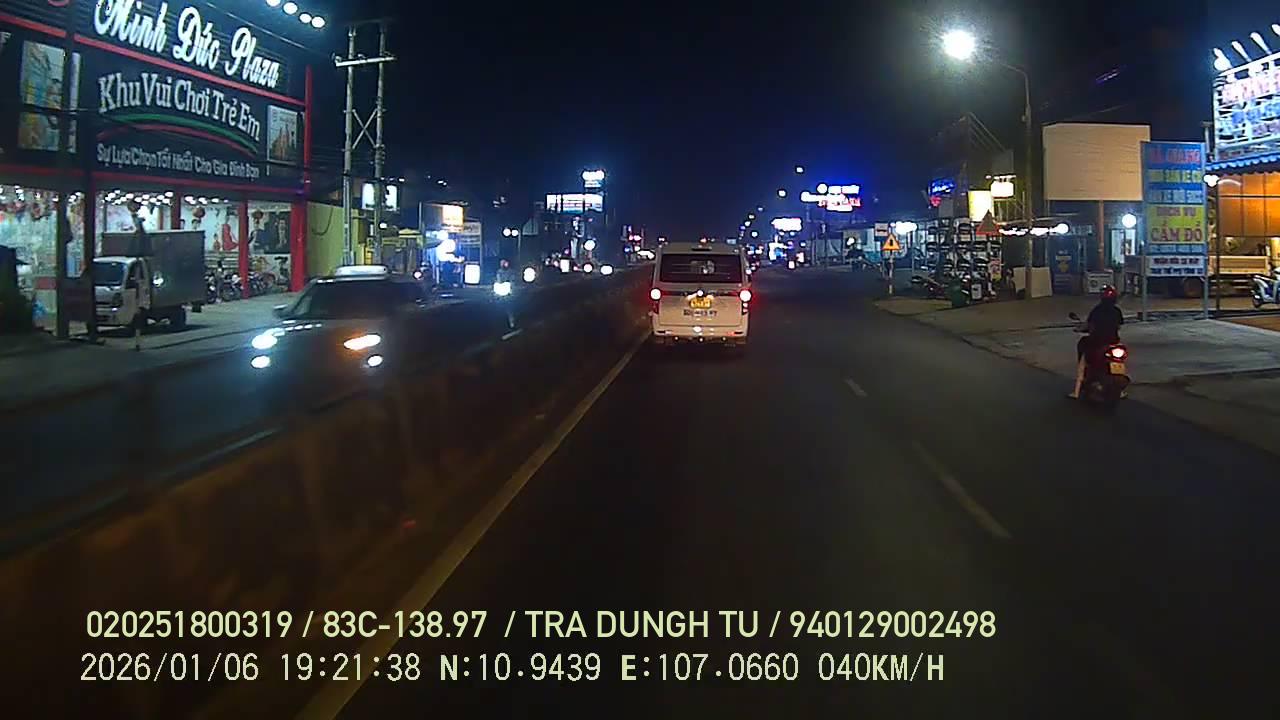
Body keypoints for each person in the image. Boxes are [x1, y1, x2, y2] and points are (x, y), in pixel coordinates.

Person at [1069, 285, 1124, 399]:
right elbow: (1119, 326)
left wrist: (1080, 328)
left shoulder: (1097, 310)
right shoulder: (1117, 311)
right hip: (1113, 341)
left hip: (1097, 341)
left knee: (1083, 356)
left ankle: (1077, 391)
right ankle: (1121, 391)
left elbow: (1090, 325)